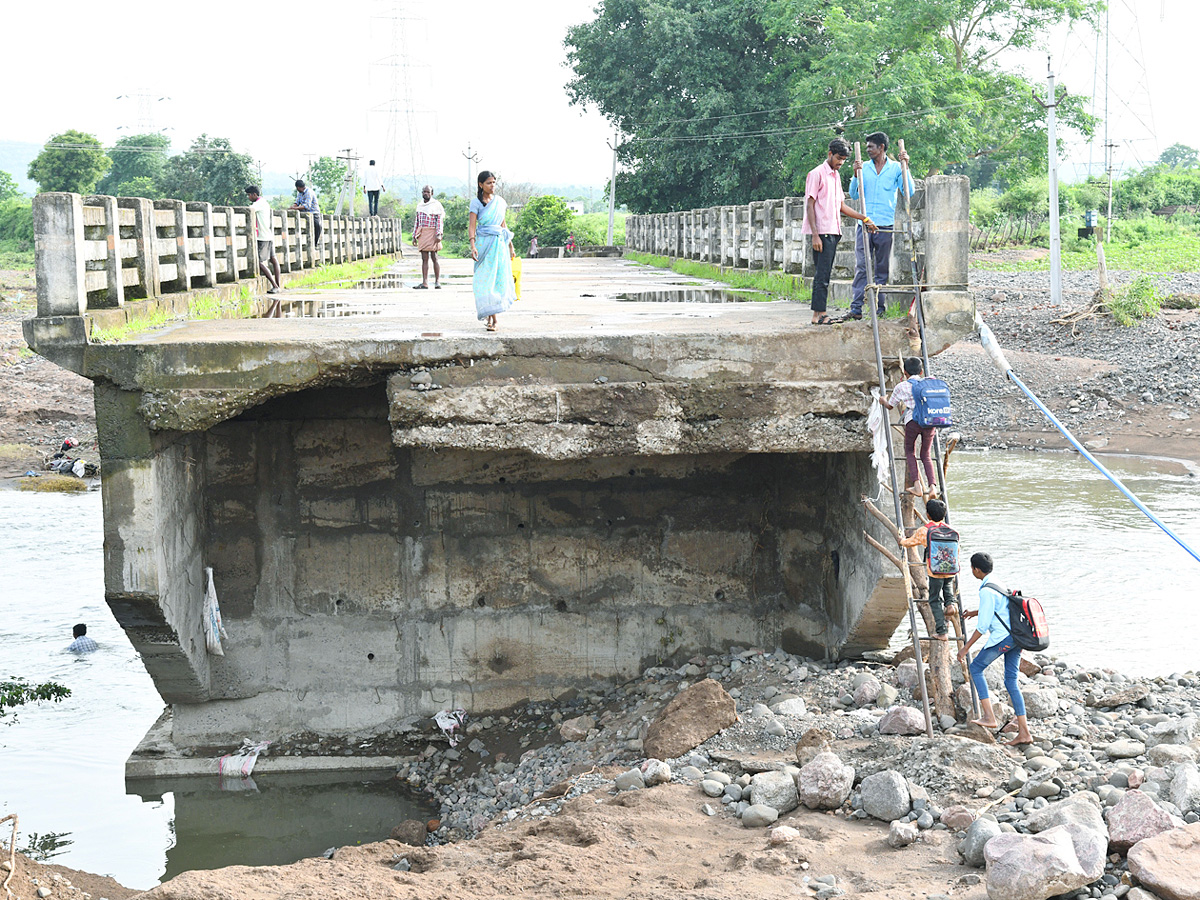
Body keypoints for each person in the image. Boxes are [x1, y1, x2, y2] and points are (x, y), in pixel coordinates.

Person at [958, 552, 1034, 746]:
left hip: (1003, 638)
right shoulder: (996, 582)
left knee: (975, 668)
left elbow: (982, 628)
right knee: (1011, 681)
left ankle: (989, 716)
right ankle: (1024, 733)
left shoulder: (985, 590)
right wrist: (976, 612)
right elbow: (1001, 607)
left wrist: (965, 648)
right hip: (1016, 636)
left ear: (976, 569)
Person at [802, 138, 877, 325]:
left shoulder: (835, 177)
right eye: (838, 158)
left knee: (825, 274)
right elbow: (809, 206)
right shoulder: (816, 174)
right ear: (830, 154)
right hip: (822, 232)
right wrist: (815, 235)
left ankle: (819, 314)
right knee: (822, 275)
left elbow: (841, 206)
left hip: (834, 231)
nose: (841, 162)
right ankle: (819, 314)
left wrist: (864, 218)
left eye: (843, 159)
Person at [847, 132, 913, 320]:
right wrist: (854, 175)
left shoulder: (894, 169)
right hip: (865, 224)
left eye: (871, 147)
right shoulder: (863, 168)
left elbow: (910, 191)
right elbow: (853, 195)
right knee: (862, 265)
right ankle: (857, 307)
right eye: (867, 147)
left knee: (881, 267)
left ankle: (879, 306)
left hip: (885, 225)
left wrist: (905, 167)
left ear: (881, 147)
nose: (868, 150)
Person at [879, 356, 938, 499]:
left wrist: (883, 400)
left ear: (904, 372)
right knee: (926, 454)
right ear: (922, 371)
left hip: (912, 421)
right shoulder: (930, 381)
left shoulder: (902, 386)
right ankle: (932, 487)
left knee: (910, 451)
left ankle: (917, 486)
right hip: (930, 421)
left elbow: (890, 405)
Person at [898, 498, 955, 639]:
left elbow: (909, 543)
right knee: (947, 589)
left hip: (935, 572)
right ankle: (950, 604)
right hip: (951, 569)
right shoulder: (951, 530)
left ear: (928, 515)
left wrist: (901, 540)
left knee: (934, 599)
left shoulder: (924, 531)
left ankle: (942, 632)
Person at [468, 170, 516, 332]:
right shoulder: (476, 203)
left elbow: (503, 225)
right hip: (483, 245)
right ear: (481, 185)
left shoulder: (500, 202)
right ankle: (490, 315)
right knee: (483, 282)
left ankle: (493, 319)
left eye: (494, 182)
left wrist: (510, 246)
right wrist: (473, 245)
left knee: (496, 280)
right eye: (489, 183)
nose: (492, 186)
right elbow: (472, 226)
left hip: (499, 244)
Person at [245, 186, 281, 309]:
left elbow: (248, 210)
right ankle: (278, 285)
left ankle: (275, 286)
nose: (249, 197)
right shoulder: (265, 202)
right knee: (273, 259)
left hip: (262, 237)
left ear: (254, 194)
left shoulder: (258, 203)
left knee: (259, 261)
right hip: (268, 235)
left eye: (249, 195)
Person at [411, 185, 445, 289]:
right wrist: (414, 236)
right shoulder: (420, 206)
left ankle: (437, 281)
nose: (426, 193)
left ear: (432, 193)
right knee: (424, 258)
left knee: (434, 257)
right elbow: (417, 222)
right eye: (424, 192)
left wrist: (439, 234)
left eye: (428, 192)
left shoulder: (436, 205)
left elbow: (439, 221)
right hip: (423, 233)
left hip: (433, 232)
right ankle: (425, 282)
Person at [289, 179, 322, 245]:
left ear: (298, 187)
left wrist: (295, 208)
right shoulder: (300, 194)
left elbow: (307, 206)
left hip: (313, 212)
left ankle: (315, 243)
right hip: (304, 212)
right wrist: (292, 208)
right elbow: (297, 203)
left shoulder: (308, 192)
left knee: (317, 226)